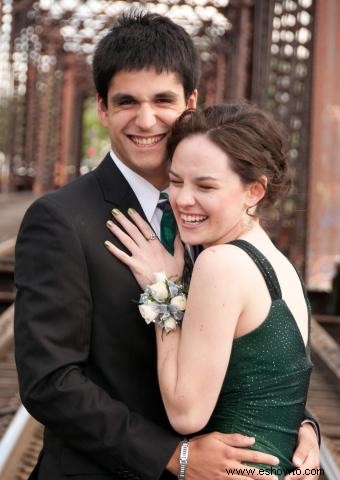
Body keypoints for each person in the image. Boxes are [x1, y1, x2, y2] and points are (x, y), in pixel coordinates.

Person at [14, 10, 319, 480]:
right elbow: (50, 382)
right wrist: (173, 456)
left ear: (191, 101)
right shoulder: (60, 221)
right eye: (126, 102)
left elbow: (257, 349)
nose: (146, 119)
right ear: (102, 107)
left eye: (163, 99)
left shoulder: (218, 218)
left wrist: (296, 424)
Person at [104, 104, 316, 480]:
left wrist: (163, 289)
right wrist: (309, 428)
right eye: (176, 181)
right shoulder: (279, 265)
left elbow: (186, 413)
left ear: (254, 190)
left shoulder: (220, 264)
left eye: (205, 186)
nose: (183, 199)